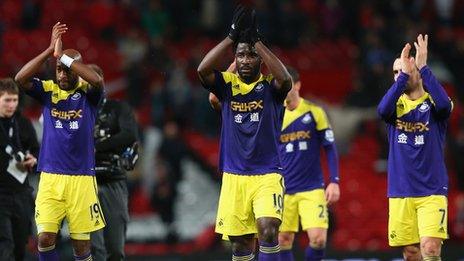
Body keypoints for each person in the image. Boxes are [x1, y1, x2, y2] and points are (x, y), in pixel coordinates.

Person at [197, 5, 292, 261]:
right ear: (234, 60)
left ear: (261, 60)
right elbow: (202, 71)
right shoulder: (227, 87)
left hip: (267, 173)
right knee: (241, 246)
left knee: (269, 230)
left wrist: (256, 42)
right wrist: (231, 37)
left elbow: (286, 80)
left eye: (251, 56)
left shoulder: (270, 89)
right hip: (234, 175)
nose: (245, 60)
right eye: (241, 56)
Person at [14, 22, 105, 261]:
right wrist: (49, 52)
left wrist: (65, 58)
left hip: (82, 178)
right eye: (59, 70)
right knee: (44, 238)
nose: (62, 75)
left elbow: (97, 80)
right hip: (51, 177)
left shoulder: (89, 95)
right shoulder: (48, 91)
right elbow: (20, 79)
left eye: (67, 70)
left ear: (77, 69)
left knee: (81, 245)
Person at [377, 34, 452, 260]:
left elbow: (445, 106)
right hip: (401, 191)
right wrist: (402, 79)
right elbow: (381, 110)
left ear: (417, 71)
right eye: (395, 73)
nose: (399, 76)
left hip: (432, 191)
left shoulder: (434, 104)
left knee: (430, 249)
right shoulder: (395, 106)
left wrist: (423, 67)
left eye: (404, 70)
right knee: (411, 253)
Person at [278, 67, 340, 261]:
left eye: (287, 85)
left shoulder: (315, 112)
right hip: (282, 189)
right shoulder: (274, 115)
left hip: (312, 188)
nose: (283, 90)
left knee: (319, 239)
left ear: (297, 85)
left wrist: (334, 180)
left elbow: (330, 147)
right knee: (283, 240)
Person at [87, 64, 137, 261]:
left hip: (112, 180)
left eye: (95, 81)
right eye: (87, 82)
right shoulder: (77, 112)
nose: (92, 86)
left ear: (102, 83)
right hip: (85, 184)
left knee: (115, 249)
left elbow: (129, 135)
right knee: (93, 247)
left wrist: (96, 147)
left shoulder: (118, 108)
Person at [0, 78, 39, 260]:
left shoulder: (23, 124)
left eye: (14, 100)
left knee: (20, 244)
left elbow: (37, 150)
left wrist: (34, 159)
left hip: (21, 192)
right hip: (0, 194)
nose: (11, 105)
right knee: (5, 242)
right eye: (7, 100)